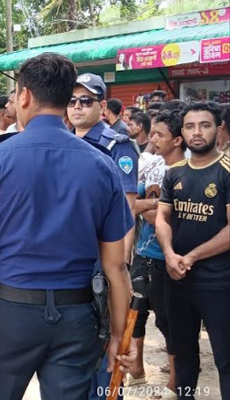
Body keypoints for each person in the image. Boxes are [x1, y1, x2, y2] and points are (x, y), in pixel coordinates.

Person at [0, 53, 135, 400]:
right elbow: (116, 265)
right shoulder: (103, 165)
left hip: (10, 314)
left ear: (25, 96)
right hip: (77, 318)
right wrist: (118, 337)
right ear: (65, 99)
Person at [156, 102, 230, 400]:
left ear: (219, 129)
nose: (197, 132)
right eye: (190, 126)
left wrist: (191, 256)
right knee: (183, 354)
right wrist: (170, 254)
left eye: (205, 125)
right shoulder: (174, 173)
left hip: (218, 282)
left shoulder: (225, 172)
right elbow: (162, 218)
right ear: (183, 133)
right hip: (177, 279)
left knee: (226, 358)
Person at [126, 110, 184, 398]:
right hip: (143, 254)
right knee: (134, 315)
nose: (153, 139)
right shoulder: (148, 165)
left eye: (159, 134)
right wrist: (156, 207)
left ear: (177, 139)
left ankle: (175, 383)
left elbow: (168, 219)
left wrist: (152, 209)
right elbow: (131, 205)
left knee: (168, 322)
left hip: (168, 259)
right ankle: (136, 372)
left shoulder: (186, 171)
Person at [69, 73, 138, 263]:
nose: (77, 106)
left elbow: (128, 207)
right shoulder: (63, 142)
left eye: (86, 101)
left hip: (102, 249)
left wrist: (121, 265)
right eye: (71, 101)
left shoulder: (117, 145)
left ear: (103, 107)